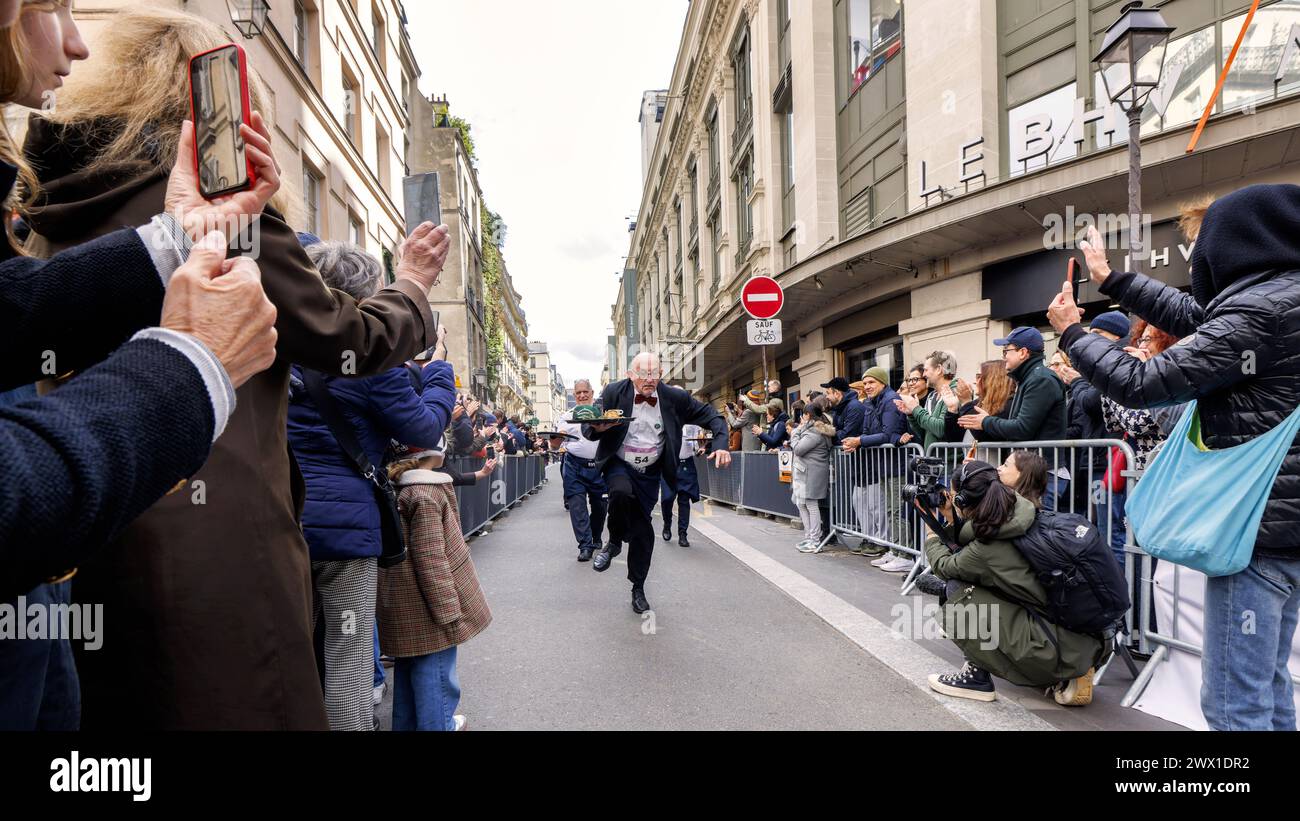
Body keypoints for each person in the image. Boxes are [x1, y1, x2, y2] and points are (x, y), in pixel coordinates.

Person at [20, 7, 448, 730]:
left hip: (88, 525)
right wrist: (410, 286)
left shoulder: (51, 205)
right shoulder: (223, 206)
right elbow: (346, 335)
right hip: (220, 539)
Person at [1052, 189, 1300, 730]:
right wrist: (1113, 281)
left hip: (1256, 532)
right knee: (1270, 683)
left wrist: (1073, 333)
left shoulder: (1262, 310)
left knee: (1236, 701)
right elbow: (1200, 317)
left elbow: (1139, 383)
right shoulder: (1280, 299)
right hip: (1282, 527)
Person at [286, 240, 456, 732]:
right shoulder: (368, 356)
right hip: (345, 531)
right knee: (349, 656)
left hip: (284, 518)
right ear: (368, 296)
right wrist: (438, 370)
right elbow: (422, 428)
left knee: (300, 650)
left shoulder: (284, 345)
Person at [921, 461, 1108, 705]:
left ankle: (976, 677)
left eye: (955, 498)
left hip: (1052, 646)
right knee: (981, 592)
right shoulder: (1020, 515)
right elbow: (971, 539)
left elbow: (946, 567)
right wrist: (949, 517)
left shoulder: (988, 545)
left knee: (958, 591)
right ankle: (1068, 673)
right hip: (1087, 638)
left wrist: (932, 532)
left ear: (965, 501)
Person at [583, 353, 730, 613]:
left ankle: (637, 588)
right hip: (620, 462)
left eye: (654, 374)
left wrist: (720, 445)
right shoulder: (615, 391)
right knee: (618, 492)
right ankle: (614, 541)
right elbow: (588, 426)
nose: (649, 380)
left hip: (650, 472)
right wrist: (599, 428)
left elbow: (713, 416)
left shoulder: (674, 397)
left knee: (643, 531)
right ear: (631, 374)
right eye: (643, 374)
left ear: (660, 373)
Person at [379, 441, 492, 732]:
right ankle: (439, 725)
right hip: (427, 605)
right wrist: (449, 611)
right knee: (437, 672)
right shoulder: (427, 492)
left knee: (408, 669)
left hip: (405, 600)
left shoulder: (403, 487)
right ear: (431, 452)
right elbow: (431, 558)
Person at [959, 327, 1068, 510]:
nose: (1004, 357)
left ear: (1023, 352)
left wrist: (986, 422)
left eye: (1006, 351)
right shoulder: (1029, 378)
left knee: (1039, 533)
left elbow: (1022, 427)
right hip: (1033, 472)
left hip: (1043, 474)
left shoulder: (1041, 379)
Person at [844, 367, 909, 570]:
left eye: (871, 382)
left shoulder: (890, 400)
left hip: (896, 466)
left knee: (897, 511)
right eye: (865, 383)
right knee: (890, 510)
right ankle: (895, 549)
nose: (867, 387)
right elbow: (867, 431)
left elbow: (888, 434)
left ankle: (905, 554)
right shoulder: (872, 402)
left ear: (882, 382)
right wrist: (856, 443)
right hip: (883, 465)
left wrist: (859, 441)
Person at [559, 386, 610, 562]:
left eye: (585, 392)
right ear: (574, 396)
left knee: (600, 507)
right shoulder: (566, 417)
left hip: (599, 467)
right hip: (574, 466)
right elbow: (555, 443)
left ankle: (596, 537)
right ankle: (585, 545)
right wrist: (555, 440)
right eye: (578, 393)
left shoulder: (602, 413)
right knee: (577, 506)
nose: (582, 395)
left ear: (591, 393)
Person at [820, 376, 864, 548]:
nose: (827, 397)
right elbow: (839, 432)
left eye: (828, 393)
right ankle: (869, 540)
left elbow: (846, 434)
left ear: (837, 393)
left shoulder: (853, 407)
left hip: (860, 462)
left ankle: (873, 541)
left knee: (866, 505)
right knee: (857, 502)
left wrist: (828, 432)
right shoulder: (841, 407)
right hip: (852, 463)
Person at [790, 403, 835, 553]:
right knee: (802, 503)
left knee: (810, 504)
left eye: (803, 414)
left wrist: (795, 432)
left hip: (811, 473)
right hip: (806, 472)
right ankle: (809, 536)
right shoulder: (813, 430)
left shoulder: (814, 432)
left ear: (807, 415)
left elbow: (798, 449)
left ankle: (815, 539)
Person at [896, 351, 962, 449]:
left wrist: (916, 408)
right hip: (932, 459)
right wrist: (911, 414)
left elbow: (940, 429)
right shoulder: (932, 396)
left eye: (926, 370)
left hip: (950, 461)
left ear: (939, 369)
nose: (924, 374)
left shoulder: (956, 391)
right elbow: (924, 432)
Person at [661, 422, 704, 548]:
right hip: (669, 464)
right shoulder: (668, 419)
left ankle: (683, 534)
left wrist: (700, 450)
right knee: (667, 499)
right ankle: (667, 524)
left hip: (687, 465)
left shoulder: (694, 425)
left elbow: (695, 447)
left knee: (684, 500)